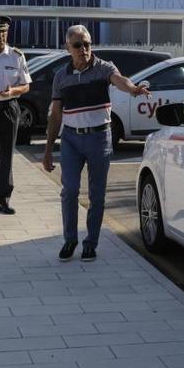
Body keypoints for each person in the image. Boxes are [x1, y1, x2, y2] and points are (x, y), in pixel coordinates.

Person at [42, 25, 151, 262]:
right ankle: (70, 240)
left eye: (88, 44)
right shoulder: (61, 76)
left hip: (99, 138)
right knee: (69, 191)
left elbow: (120, 80)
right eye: (78, 45)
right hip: (70, 139)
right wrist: (48, 150)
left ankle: (90, 243)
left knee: (97, 194)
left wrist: (133, 90)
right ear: (67, 48)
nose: (84, 49)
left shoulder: (103, 68)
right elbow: (55, 115)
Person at [0, 15, 31, 221]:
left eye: (3, 32)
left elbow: (26, 85)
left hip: (9, 108)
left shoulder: (16, 55)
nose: (0, 36)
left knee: (7, 156)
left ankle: (4, 199)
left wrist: (13, 91)